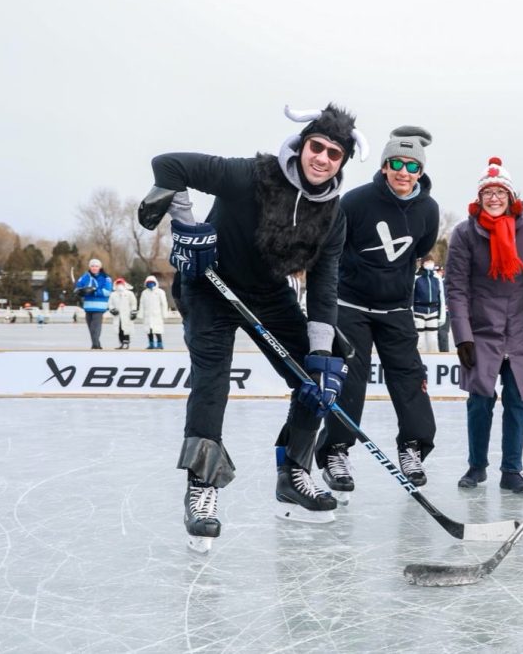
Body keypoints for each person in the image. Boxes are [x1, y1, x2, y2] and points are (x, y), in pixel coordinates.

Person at [140, 103, 367, 551]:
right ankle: (202, 485)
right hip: (210, 286)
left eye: (333, 153)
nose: (321, 158)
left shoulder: (334, 215)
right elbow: (168, 165)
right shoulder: (250, 175)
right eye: (316, 146)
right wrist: (188, 230)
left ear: (342, 161)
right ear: (303, 145)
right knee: (212, 383)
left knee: (321, 373)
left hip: (267, 295)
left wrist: (320, 356)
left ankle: (294, 471)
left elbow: (324, 285)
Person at [316, 126, 440, 496]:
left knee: (409, 377)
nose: (404, 172)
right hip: (351, 306)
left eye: (412, 166)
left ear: (421, 171)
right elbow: (331, 248)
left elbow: (422, 248)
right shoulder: (355, 201)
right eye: (397, 163)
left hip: (396, 308)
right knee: (349, 382)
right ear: (385, 166)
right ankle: (336, 451)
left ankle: (413, 447)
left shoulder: (429, 209)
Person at [445, 158, 523, 494]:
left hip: (519, 330)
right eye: (487, 192)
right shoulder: (464, 233)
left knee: (518, 400)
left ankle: (512, 470)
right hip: (481, 330)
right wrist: (463, 336)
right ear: (479, 198)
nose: (494, 198)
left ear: (510, 196)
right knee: (480, 399)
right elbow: (456, 288)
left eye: (499, 191)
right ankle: (476, 467)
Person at [74, 259, 113, 349]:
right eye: (92, 266)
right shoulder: (84, 277)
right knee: (91, 327)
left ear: (100, 267)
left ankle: (95, 345)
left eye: (96, 266)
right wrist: (79, 291)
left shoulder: (106, 278)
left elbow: (107, 292)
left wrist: (94, 291)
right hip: (88, 306)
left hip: (99, 307)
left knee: (95, 327)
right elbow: (79, 287)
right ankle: (97, 344)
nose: (94, 268)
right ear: (89, 267)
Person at [413, 255, 445, 353]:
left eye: (431, 261)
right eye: (428, 261)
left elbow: (441, 297)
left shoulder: (437, 277)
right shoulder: (416, 277)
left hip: (433, 311)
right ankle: (418, 361)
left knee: (433, 340)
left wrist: (442, 315)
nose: (430, 263)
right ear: (423, 263)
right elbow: (411, 296)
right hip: (419, 311)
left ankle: (433, 360)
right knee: (419, 340)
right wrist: (411, 313)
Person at [139, 274, 169, 349]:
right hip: (148, 315)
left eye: (152, 282)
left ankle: (160, 343)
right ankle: (151, 344)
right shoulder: (144, 293)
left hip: (157, 314)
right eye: (148, 283)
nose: (150, 284)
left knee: (157, 330)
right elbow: (141, 304)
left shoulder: (160, 292)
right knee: (149, 331)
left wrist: (164, 313)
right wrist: (140, 314)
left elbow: (164, 303)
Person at [108, 277, 138, 349]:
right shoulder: (113, 294)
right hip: (118, 315)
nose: (119, 285)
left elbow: (133, 303)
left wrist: (133, 312)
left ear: (124, 284)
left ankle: (126, 343)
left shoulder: (129, 293)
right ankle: (121, 343)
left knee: (126, 329)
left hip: (126, 314)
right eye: (118, 284)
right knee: (119, 329)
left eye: (121, 283)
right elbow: (110, 304)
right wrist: (112, 310)